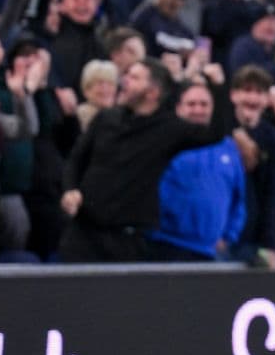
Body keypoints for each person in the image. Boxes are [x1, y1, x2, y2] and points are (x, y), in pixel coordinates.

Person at [59, 59, 236, 263]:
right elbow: (76, 160)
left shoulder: (169, 129)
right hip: (83, 233)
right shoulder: (106, 118)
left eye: (134, 78)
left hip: (127, 241)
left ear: (152, 92)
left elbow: (215, 133)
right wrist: (70, 189)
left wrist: (218, 87)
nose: (124, 81)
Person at [149, 80, 246, 262]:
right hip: (167, 245)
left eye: (204, 104)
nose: (198, 110)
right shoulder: (165, 141)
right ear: (179, 108)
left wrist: (229, 236)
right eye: (191, 104)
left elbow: (238, 198)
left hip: (211, 251)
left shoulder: (228, 147)